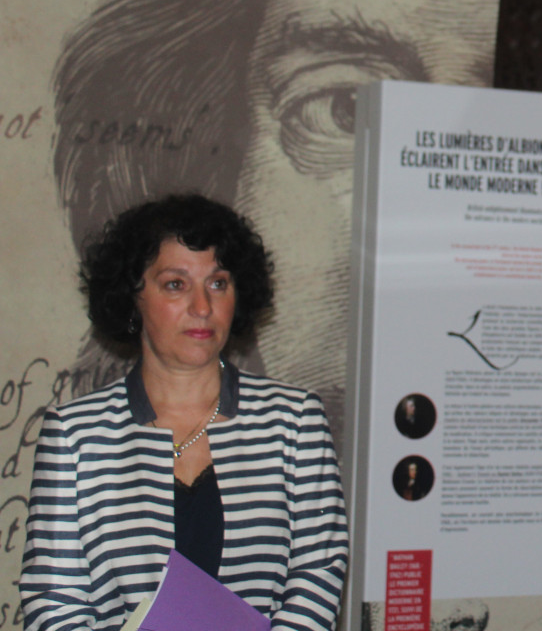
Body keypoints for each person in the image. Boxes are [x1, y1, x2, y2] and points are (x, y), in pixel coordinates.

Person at [49, 0, 503, 439]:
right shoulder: (95, 448)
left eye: (500, 135)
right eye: (348, 108)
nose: (424, 256)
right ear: (222, 154)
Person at [21, 194, 349, 630]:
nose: (202, 307)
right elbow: (52, 599)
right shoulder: (75, 435)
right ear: (133, 297)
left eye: (218, 283)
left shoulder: (294, 421)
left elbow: (318, 572)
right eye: (176, 284)